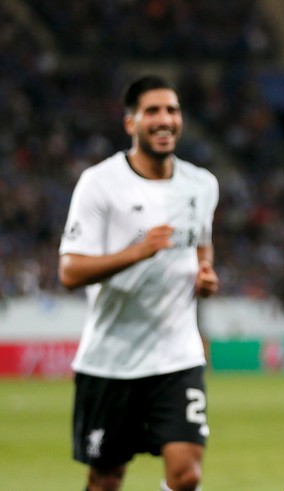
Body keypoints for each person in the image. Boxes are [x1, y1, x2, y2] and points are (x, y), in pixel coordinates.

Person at [58, 75, 219, 491]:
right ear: (130, 123)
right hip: (111, 360)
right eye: (153, 111)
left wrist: (204, 274)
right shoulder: (99, 183)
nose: (164, 119)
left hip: (176, 356)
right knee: (106, 478)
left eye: (172, 110)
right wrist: (137, 251)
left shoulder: (202, 184)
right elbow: (69, 272)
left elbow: (202, 244)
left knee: (186, 475)